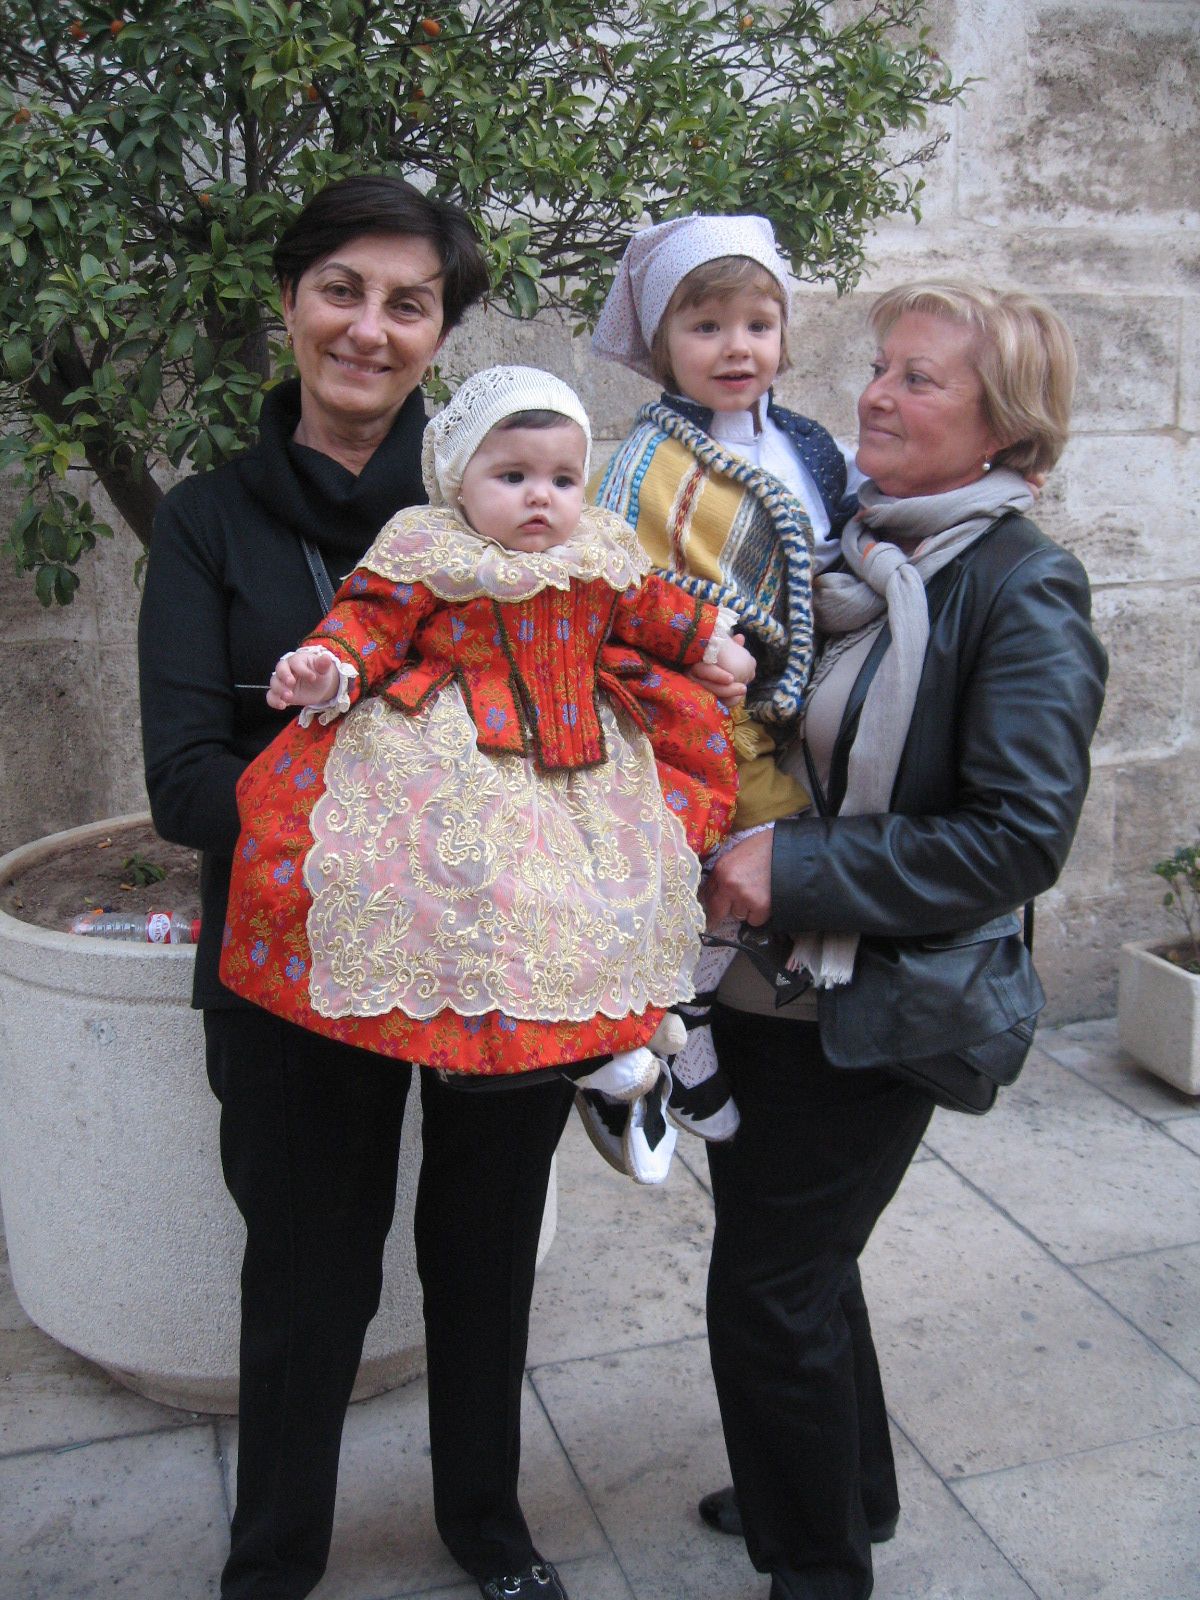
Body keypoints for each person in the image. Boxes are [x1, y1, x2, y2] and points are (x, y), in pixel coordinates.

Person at [140, 178, 571, 1600]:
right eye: (342, 289)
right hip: (295, 968)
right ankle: (272, 1563)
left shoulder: (501, 514)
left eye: (409, 303)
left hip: (500, 960)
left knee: (487, 1255)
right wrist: (421, 817)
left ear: (441, 329)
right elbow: (190, 782)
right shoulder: (210, 523)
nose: (370, 329)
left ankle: (488, 1532)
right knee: (307, 1281)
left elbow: (593, 715)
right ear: (288, 301)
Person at [691, 280, 1108, 1600]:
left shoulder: (1021, 586)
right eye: (880, 366)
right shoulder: (865, 550)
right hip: (781, 985)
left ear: (1005, 425)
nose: (875, 392)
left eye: (921, 378)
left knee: (767, 1289)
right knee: (805, 1267)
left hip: (884, 998)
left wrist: (791, 862)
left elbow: (1017, 836)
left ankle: (818, 1569)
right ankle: (839, 1488)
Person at [219, 363, 750, 1183]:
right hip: (454, 754)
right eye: (513, 476)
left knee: (607, 895)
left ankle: (614, 1054)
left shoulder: (599, 547)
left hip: (583, 759)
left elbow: (649, 609)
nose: (542, 497)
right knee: (459, 890)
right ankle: (564, 1057)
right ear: (457, 481)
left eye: (563, 478)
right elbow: (372, 619)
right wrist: (328, 668)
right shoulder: (432, 548)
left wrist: (708, 642)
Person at [590, 212, 860, 1144]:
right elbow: (621, 579)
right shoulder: (647, 462)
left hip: (810, 704)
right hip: (701, 712)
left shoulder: (814, 447)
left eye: (757, 323)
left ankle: (685, 1011)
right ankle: (676, 1020)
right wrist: (712, 637)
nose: (736, 347)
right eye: (706, 328)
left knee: (774, 862)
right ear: (663, 345)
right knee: (729, 862)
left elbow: (852, 545)